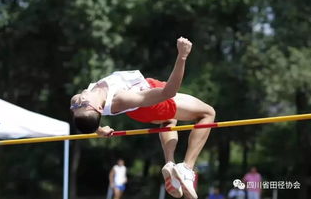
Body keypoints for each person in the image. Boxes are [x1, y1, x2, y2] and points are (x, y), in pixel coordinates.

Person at [70, 37, 216, 199]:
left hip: (142, 106)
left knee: (169, 120)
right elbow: (169, 92)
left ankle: (170, 164)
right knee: (207, 113)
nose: (80, 99)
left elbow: (85, 119)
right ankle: (187, 169)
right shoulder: (121, 98)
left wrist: (98, 130)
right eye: (83, 104)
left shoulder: (78, 101)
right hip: (151, 102)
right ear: (98, 108)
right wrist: (182, 56)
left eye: (76, 106)